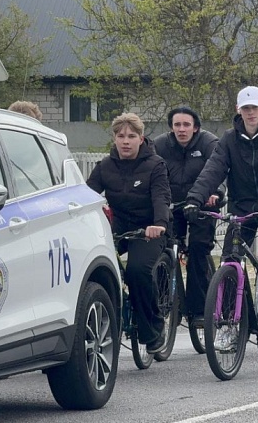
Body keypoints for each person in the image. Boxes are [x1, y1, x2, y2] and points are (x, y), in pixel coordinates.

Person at [185, 86, 258, 307]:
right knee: (230, 261)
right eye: (246, 108)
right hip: (242, 207)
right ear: (238, 110)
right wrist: (194, 199)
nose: (250, 113)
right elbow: (212, 170)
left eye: (254, 107)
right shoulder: (229, 140)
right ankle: (230, 322)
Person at [86, 112, 172, 354]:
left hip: (149, 227)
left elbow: (161, 197)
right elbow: (87, 195)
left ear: (141, 139)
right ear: (114, 138)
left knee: (137, 270)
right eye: (121, 136)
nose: (126, 141)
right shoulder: (105, 166)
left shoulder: (155, 165)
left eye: (131, 136)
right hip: (120, 225)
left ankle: (153, 327)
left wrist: (159, 224)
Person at [154, 106, 221, 322]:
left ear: (196, 127)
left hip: (202, 204)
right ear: (171, 128)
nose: (181, 129)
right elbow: (151, 172)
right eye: (177, 125)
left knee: (198, 249)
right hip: (172, 205)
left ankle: (199, 309)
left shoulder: (209, 143)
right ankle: (163, 299)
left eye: (186, 125)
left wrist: (215, 193)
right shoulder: (160, 145)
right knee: (163, 247)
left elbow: (219, 171)